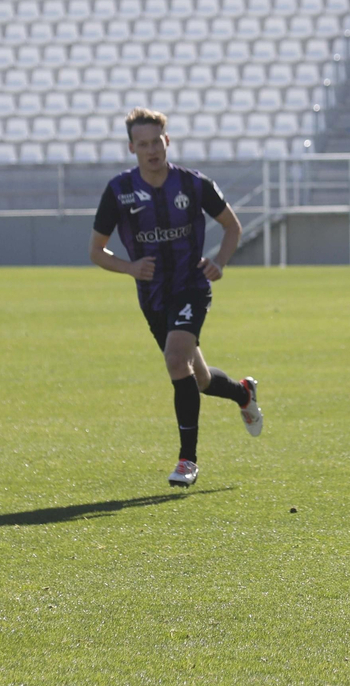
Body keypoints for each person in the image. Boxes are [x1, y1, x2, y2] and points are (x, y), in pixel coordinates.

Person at [89, 107, 264, 487]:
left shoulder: (193, 184)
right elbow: (96, 252)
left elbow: (232, 227)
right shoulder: (118, 191)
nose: (152, 150)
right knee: (196, 377)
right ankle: (243, 393)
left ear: (167, 141)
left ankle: (188, 460)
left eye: (157, 142)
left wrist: (220, 261)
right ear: (132, 147)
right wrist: (131, 267)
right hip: (152, 295)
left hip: (191, 286)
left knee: (174, 359)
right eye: (143, 144)